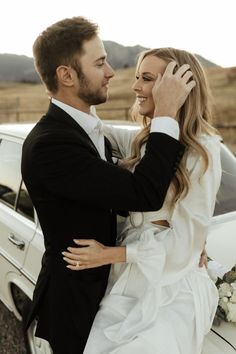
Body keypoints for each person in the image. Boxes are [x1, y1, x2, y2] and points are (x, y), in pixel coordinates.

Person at [21, 17, 195, 354]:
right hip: (77, 306)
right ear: (67, 75)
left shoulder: (84, 129)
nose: (112, 71)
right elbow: (143, 193)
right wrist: (167, 112)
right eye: (100, 62)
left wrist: (186, 236)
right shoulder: (51, 145)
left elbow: (112, 197)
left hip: (113, 289)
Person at [63, 48, 222, 354]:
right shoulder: (146, 138)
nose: (135, 86)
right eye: (137, 76)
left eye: (147, 79)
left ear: (179, 88)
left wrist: (111, 254)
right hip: (130, 278)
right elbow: (97, 131)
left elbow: (184, 249)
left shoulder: (204, 151)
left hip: (168, 288)